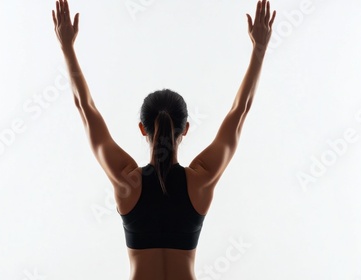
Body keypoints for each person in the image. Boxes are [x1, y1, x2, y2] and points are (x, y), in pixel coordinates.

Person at [52, 0, 276, 279]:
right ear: (185, 129)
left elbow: (86, 108)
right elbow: (239, 111)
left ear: (142, 129)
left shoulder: (126, 180)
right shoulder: (201, 179)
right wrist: (259, 48)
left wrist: (67, 47)